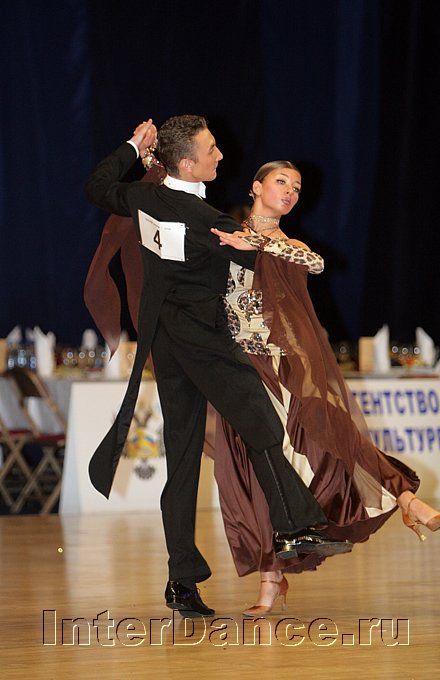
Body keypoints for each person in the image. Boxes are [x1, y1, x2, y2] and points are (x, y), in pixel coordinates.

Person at [84, 116, 351, 618]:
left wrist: (132, 147)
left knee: (184, 460)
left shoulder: (145, 197)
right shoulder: (206, 218)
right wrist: (270, 245)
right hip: (201, 340)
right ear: (188, 163)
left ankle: (181, 581)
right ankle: (294, 527)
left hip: (165, 342)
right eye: (211, 150)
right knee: (259, 419)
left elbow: (97, 186)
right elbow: (280, 256)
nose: (221, 155)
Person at [209, 160, 440, 616]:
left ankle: (408, 500)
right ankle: (270, 580)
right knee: (255, 473)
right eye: (281, 182)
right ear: (256, 186)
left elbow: (315, 263)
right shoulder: (224, 235)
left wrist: (259, 242)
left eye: (297, 187)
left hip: (281, 366)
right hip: (238, 370)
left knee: (332, 432)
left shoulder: (290, 246)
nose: (290, 191)